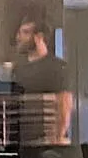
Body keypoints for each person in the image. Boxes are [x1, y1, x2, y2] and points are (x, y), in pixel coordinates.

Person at [14, 16, 73, 144]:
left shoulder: (57, 68)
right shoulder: (18, 69)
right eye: (19, 32)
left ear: (39, 37)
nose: (19, 37)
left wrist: (58, 139)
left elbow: (64, 104)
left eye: (25, 32)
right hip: (24, 143)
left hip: (49, 142)